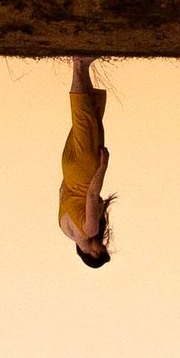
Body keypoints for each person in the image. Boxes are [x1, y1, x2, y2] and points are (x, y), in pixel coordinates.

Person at [58, 56, 115, 267]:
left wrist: (102, 167)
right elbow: (62, 192)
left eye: (102, 250)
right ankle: (85, 66)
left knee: (84, 118)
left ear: (93, 254)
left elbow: (91, 194)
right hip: (69, 170)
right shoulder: (64, 228)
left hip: (85, 169)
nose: (103, 245)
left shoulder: (89, 230)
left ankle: (78, 63)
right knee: (87, 119)